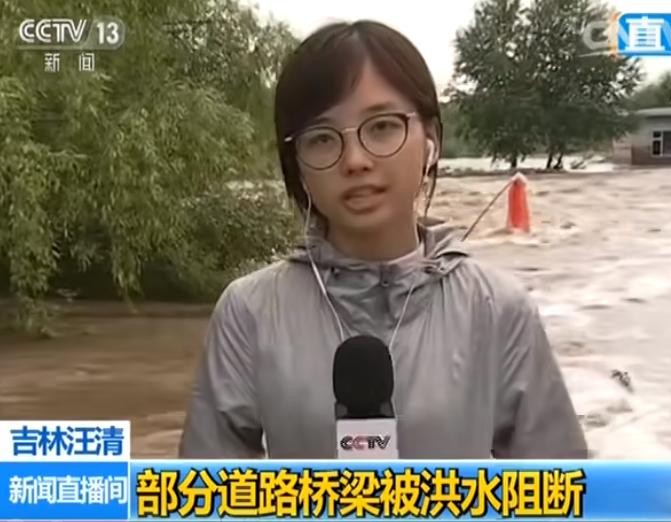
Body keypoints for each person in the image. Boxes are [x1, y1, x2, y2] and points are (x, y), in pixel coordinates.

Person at [178, 20, 588, 459]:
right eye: (322, 138)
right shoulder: (250, 312)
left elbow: (563, 486)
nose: (355, 160)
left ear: (430, 141)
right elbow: (205, 488)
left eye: (382, 127)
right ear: (297, 163)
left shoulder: (497, 309)